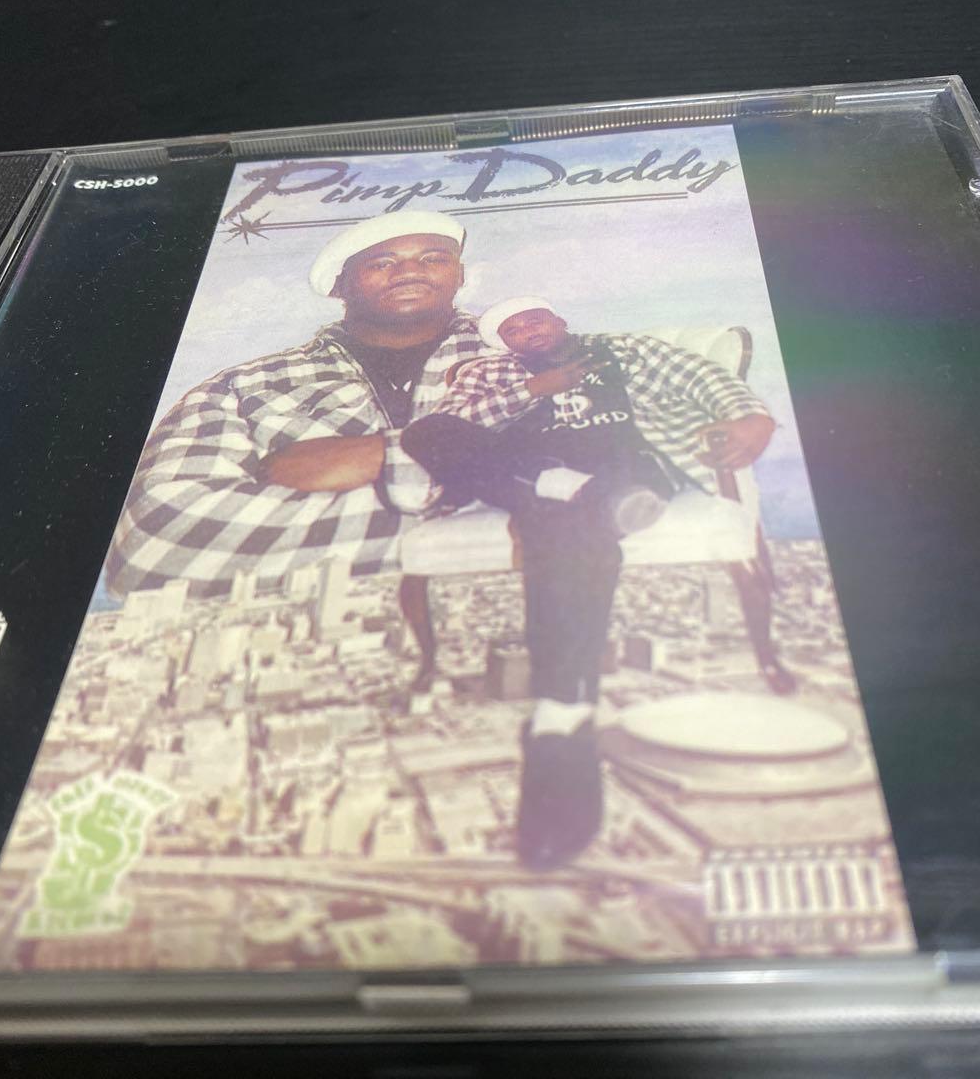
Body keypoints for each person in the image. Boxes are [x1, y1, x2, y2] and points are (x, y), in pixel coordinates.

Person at [401, 298, 777, 871]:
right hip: (535, 473)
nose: (527, 329)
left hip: (626, 465)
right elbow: (454, 423)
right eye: (511, 328)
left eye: (535, 317)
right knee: (428, 433)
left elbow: (701, 376)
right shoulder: (490, 372)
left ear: (559, 320)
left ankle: (559, 710)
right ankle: (559, 490)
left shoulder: (624, 350)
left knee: (556, 523)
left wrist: (751, 415)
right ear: (504, 343)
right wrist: (533, 390)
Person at [106, 210, 495, 599]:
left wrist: (383, 456)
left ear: (459, 274)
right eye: (382, 263)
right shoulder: (241, 387)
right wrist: (488, 513)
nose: (410, 271)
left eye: (433, 258)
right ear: (339, 286)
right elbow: (154, 540)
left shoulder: (519, 355)